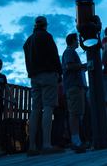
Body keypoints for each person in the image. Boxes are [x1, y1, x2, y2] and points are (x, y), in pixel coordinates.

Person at [23, 16, 66, 156]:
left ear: (35, 26)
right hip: (48, 74)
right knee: (48, 107)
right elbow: (54, 55)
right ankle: (47, 145)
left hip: (34, 77)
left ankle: (32, 147)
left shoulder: (28, 41)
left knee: (35, 110)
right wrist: (59, 72)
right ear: (45, 25)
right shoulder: (46, 36)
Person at [61, 33, 89, 153]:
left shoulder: (71, 52)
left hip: (76, 86)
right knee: (74, 113)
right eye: (77, 40)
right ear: (73, 41)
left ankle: (77, 140)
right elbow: (69, 66)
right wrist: (83, 66)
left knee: (77, 113)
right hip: (73, 85)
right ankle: (75, 141)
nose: (78, 42)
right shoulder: (69, 52)